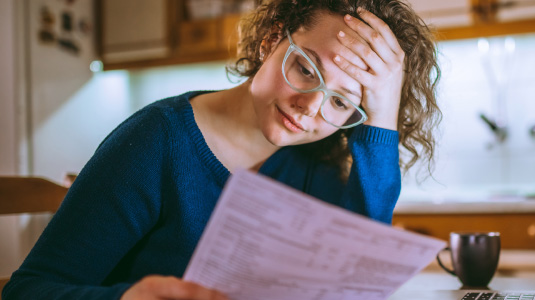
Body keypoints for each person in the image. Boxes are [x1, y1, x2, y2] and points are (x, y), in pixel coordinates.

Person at [2, 0, 440, 299]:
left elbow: (358, 282)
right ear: (271, 41)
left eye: (342, 102)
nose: (309, 108)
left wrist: (383, 117)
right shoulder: (156, 141)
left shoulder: (317, 162)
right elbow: (29, 290)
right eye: (306, 68)